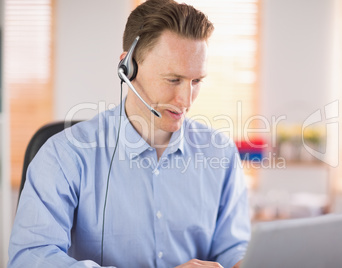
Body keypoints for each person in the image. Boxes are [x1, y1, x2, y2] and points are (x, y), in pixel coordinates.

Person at [8, 0, 250, 267]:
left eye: (196, 81)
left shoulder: (220, 151)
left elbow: (234, 247)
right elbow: (30, 258)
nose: (185, 99)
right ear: (128, 68)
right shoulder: (64, 155)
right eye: (173, 80)